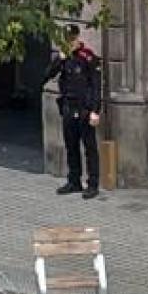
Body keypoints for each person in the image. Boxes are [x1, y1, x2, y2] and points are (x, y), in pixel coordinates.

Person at [44, 24, 103, 198]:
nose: (70, 42)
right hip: (69, 107)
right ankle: (74, 181)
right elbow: (47, 74)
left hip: (84, 108)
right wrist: (59, 60)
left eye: (72, 39)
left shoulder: (88, 57)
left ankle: (92, 184)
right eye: (67, 39)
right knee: (71, 146)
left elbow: (96, 86)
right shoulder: (64, 58)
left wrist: (95, 110)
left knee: (89, 147)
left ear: (78, 38)